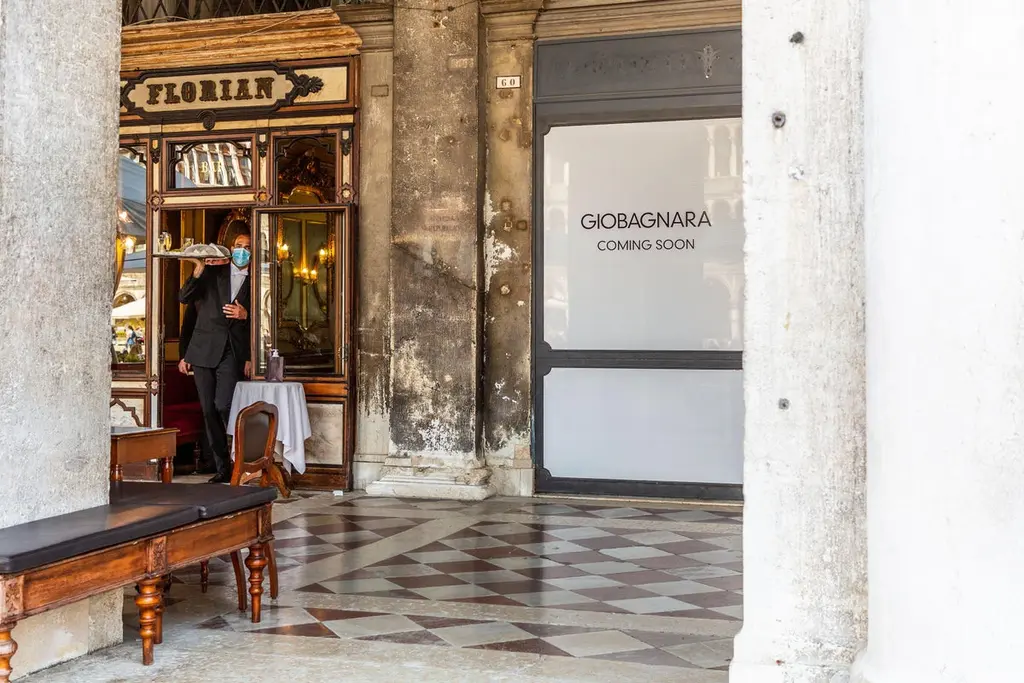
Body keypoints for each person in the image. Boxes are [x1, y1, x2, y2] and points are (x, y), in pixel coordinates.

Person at [179, 228, 252, 483]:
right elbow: (184, 298)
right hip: (203, 350)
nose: (242, 251)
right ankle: (223, 467)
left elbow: (266, 317)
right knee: (209, 410)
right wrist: (198, 270)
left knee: (224, 405)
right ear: (231, 249)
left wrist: (246, 315)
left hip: (233, 351)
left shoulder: (259, 279)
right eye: (239, 245)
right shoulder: (212, 273)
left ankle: (241, 457)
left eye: (247, 247)